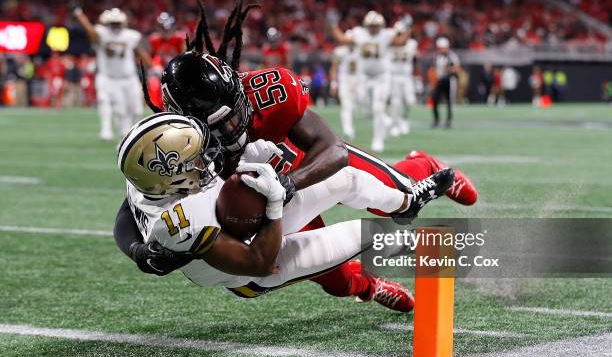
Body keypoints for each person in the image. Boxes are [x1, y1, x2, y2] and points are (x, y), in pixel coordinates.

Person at [114, 0, 476, 304]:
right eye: (220, 122)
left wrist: (287, 184)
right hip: (253, 221)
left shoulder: (266, 92)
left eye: (234, 112)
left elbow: (333, 150)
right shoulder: (172, 147)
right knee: (330, 271)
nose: (234, 124)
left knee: (384, 189)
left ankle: (421, 171)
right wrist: (139, 250)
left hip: (298, 163)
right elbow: (133, 204)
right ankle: (366, 287)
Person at [118, 113, 454, 310]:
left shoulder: (147, 182)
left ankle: (406, 201)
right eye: (193, 159)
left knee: (345, 177)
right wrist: (276, 202)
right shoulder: (181, 223)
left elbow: (124, 217)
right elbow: (259, 259)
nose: (204, 158)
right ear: (170, 174)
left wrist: (136, 250)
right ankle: (370, 285)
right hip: (250, 267)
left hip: (244, 220)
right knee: (364, 236)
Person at [331, 11, 412, 152]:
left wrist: (408, 27)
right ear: (366, 25)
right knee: (363, 104)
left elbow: (401, 42)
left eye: (376, 25)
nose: (374, 28)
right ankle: (386, 121)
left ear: (381, 25)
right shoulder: (359, 34)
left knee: (378, 108)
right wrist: (333, 25)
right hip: (363, 77)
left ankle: (378, 140)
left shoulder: (386, 35)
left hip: (382, 76)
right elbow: (342, 40)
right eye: (371, 25)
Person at [73, 6, 151, 140]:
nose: (115, 26)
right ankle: (113, 131)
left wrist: (151, 67)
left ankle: (132, 133)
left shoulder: (131, 36)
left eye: (117, 23)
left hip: (129, 77)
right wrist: (80, 16)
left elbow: (141, 54)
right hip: (109, 76)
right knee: (115, 106)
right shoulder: (101, 33)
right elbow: (91, 32)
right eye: (112, 23)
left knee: (136, 109)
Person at [389, 20, 419, 136]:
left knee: (409, 101)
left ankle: (404, 119)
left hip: (407, 77)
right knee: (395, 102)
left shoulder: (412, 44)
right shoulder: (391, 44)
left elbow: (416, 62)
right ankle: (395, 125)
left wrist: (417, 79)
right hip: (394, 76)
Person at [329, 32, 361, 139]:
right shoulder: (340, 51)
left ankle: (352, 126)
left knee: (356, 105)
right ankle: (348, 129)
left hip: (359, 79)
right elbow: (334, 68)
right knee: (346, 105)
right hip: (345, 79)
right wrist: (334, 83)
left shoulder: (360, 50)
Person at [431, 37, 460, 128]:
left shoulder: (452, 56)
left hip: (450, 80)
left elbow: (456, 69)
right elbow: (435, 69)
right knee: (435, 99)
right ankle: (436, 120)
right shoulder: (437, 56)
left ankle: (448, 121)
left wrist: (447, 69)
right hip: (440, 80)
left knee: (449, 102)